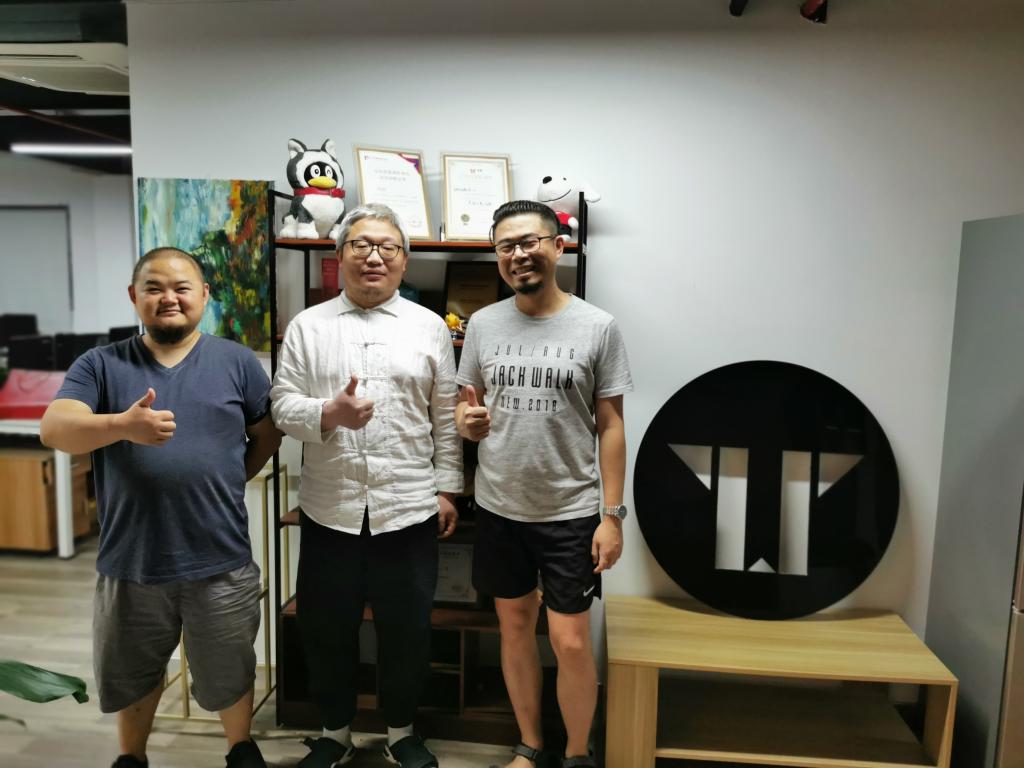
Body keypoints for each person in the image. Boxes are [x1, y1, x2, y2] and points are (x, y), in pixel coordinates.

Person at [40, 247, 282, 768]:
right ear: (135, 296)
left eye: (181, 287)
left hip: (219, 555)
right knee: (133, 670)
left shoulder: (237, 362)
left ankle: (240, 748)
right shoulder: (100, 364)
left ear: (204, 296)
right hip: (132, 559)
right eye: (154, 288)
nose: (168, 297)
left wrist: (231, 475)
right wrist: (121, 426)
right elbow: (54, 429)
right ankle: (132, 757)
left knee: (228, 665)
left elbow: (266, 434)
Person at [270, 203, 462, 768]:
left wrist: (447, 489)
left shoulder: (429, 327)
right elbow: (281, 405)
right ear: (340, 256)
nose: (374, 256)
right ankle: (335, 733)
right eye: (361, 245)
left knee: (408, 629)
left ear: (403, 260)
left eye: (387, 247)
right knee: (326, 628)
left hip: (408, 508)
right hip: (329, 508)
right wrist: (328, 413)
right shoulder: (309, 326)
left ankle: (401, 731)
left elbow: (445, 415)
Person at [455, 200, 633, 768]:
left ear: (558, 247)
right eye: (506, 245)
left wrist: (611, 516)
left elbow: (611, 426)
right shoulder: (483, 325)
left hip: (571, 511)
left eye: (529, 241)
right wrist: (467, 424)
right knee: (513, 629)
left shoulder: (597, 326)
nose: (518, 254)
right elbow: (466, 407)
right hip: (500, 507)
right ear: (498, 256)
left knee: (570, 641)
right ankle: (530, 745)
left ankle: (577, 753)